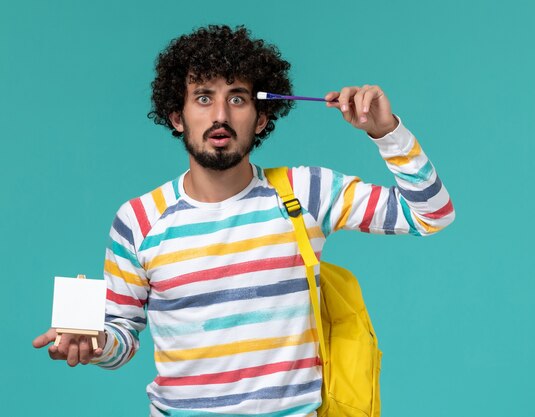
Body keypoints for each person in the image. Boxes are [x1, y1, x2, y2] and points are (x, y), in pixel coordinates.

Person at [33, 24, 455, 416]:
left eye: (237, 98)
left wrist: (387, 131)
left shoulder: (306, 193)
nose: (220, 114)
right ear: (177, 117)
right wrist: (93, 342)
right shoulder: (138, 220)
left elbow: (431, 214)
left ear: (262, 117)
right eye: (203, 97)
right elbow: (121, 338)